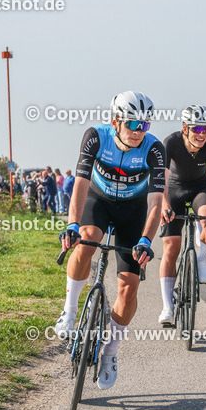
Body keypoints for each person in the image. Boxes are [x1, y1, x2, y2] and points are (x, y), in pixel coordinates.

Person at [55, 91, 165, 390]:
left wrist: (146, 240)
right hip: (99, 201)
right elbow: (80, 183)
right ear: (115, 121)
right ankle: (70, 310)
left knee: (128, 288)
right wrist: (72, 224)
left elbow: (156, 202)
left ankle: (110, 352)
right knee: (87, 238)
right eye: (132, 124)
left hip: (133, 211)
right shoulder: (95, 136)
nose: (138, 131)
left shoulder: (155, 149)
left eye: (144, 125)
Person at [157, 105, 206, 326]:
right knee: (171, 248)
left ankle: (201, 260)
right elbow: (161, 178)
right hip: (174, 190)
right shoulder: (171, 142)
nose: (202, 134)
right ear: (185, 128)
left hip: (200, 189)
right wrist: (164, 205)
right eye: (197, 129)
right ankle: (167, 307)